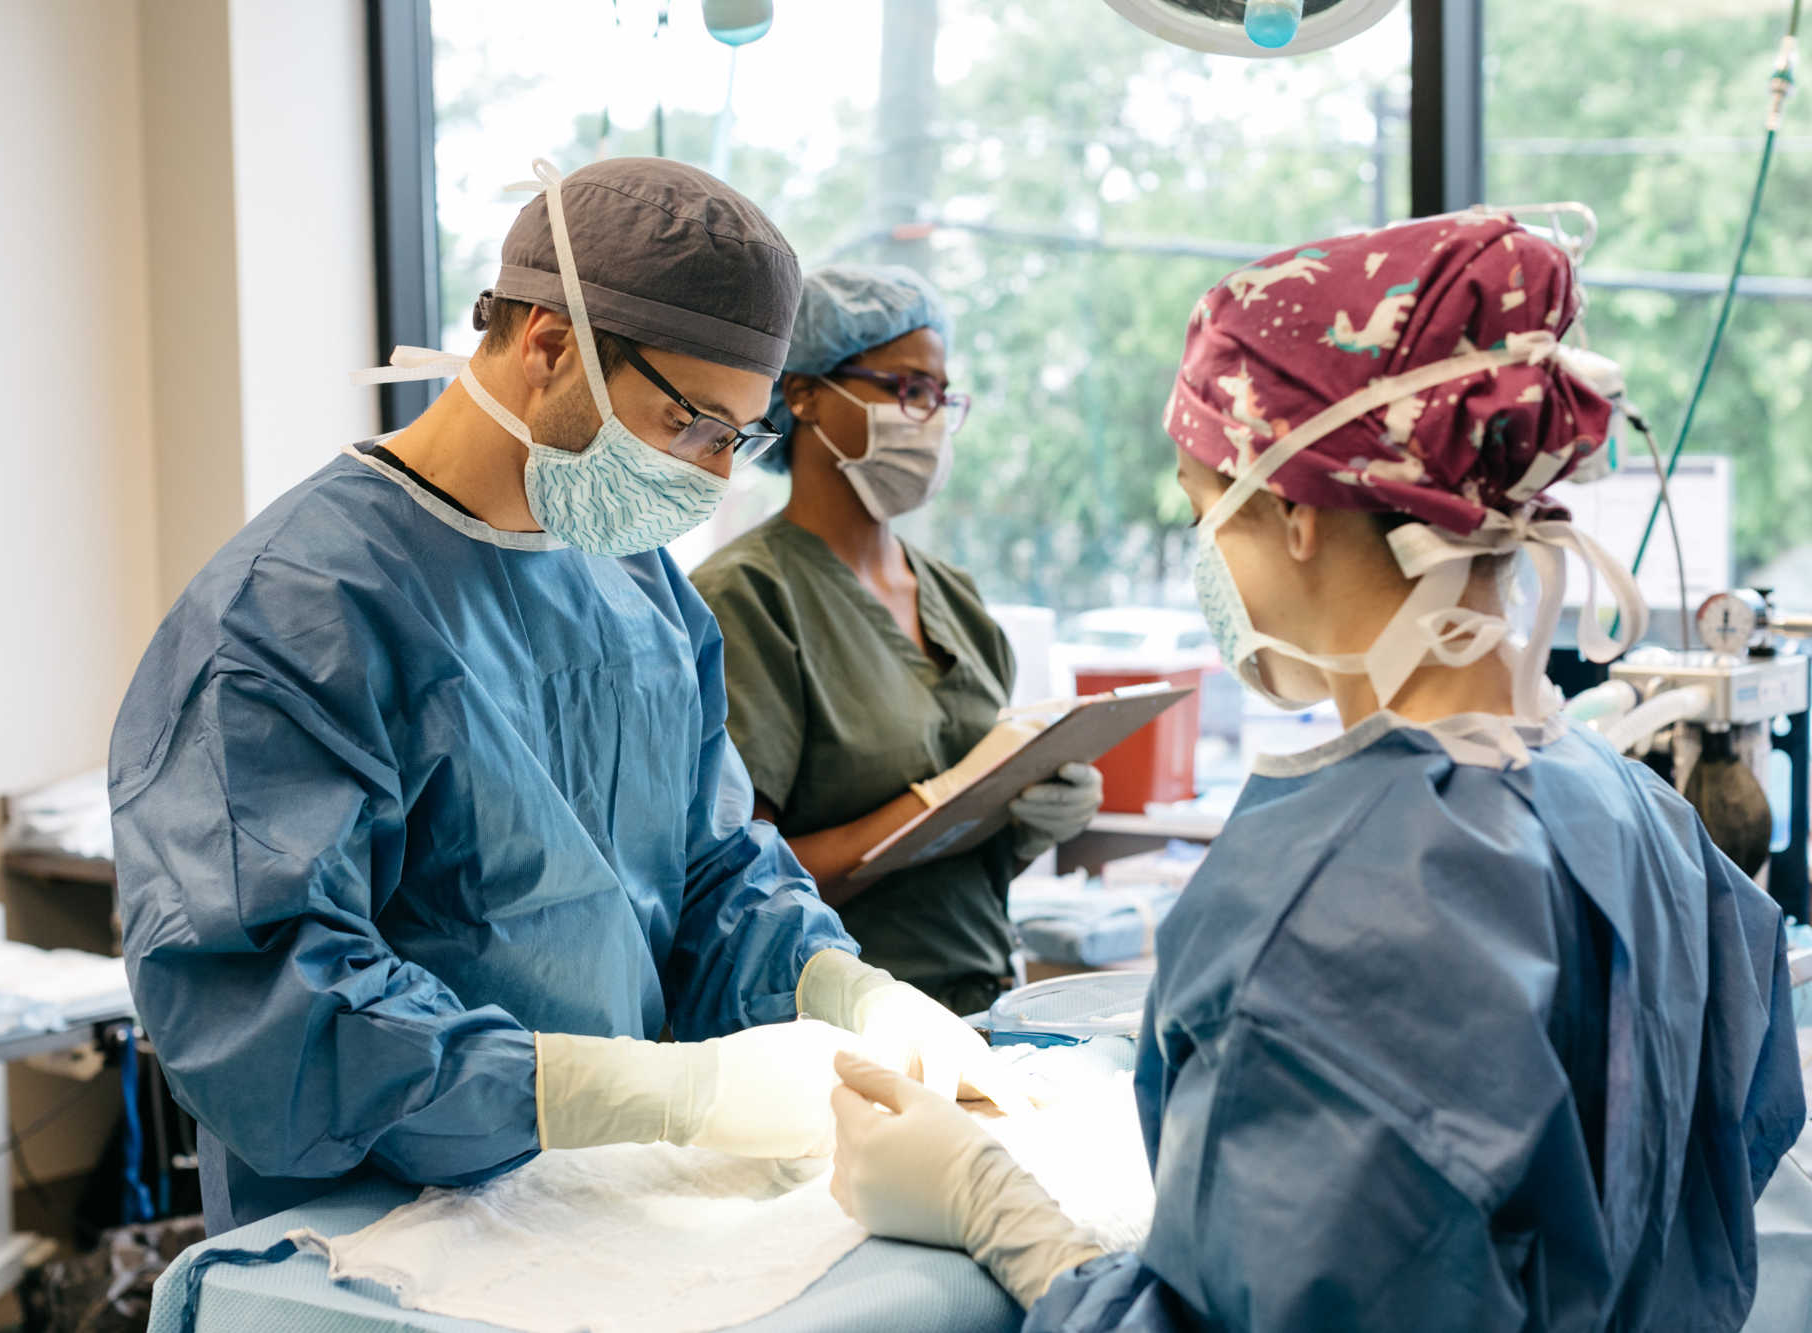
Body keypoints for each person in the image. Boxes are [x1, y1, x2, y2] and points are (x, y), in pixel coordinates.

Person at [825, 211, 1807, 1329]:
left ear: (1292, 510)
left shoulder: (1337, 913)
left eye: (1208, 513)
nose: (1206, 559)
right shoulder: (1633, 810)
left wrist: (996, 1209)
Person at [110, 157, 1020, 1235]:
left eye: (738, 436)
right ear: (548, 342)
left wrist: (841, 989)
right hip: (372, 1237)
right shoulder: (287, 617)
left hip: (606, 1207)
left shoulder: (631, 576)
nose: (717, 475)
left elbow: (713, 870)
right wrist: (641, 1095)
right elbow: (275, 1011)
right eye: (691, 424)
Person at [692, 264, 1103, 1017]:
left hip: (983, 1001)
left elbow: (959, 862)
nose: (932, 417)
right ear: (806, 393)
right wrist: (937, 801)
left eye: (943, 397)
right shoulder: (750, 598)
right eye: (910, 389)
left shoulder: (956, 598)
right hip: (833, 1024)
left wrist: (1028, 816)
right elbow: (739, 879)